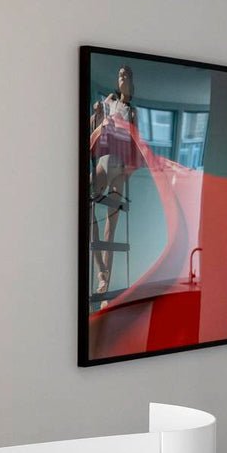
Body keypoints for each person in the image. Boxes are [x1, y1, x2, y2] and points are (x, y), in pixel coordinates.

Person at [90, 64, 138, 296]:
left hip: (119, 166)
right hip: (105, 159)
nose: (123, 77)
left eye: (127, 75)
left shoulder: (133, 111)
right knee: (87, 208)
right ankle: (101, 270)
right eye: (120, 74)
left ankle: (105, 285)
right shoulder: (110, 101)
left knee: (112, 230)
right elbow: (95, 123)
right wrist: (97, 113)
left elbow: (137, 143)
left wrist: (131, 168)